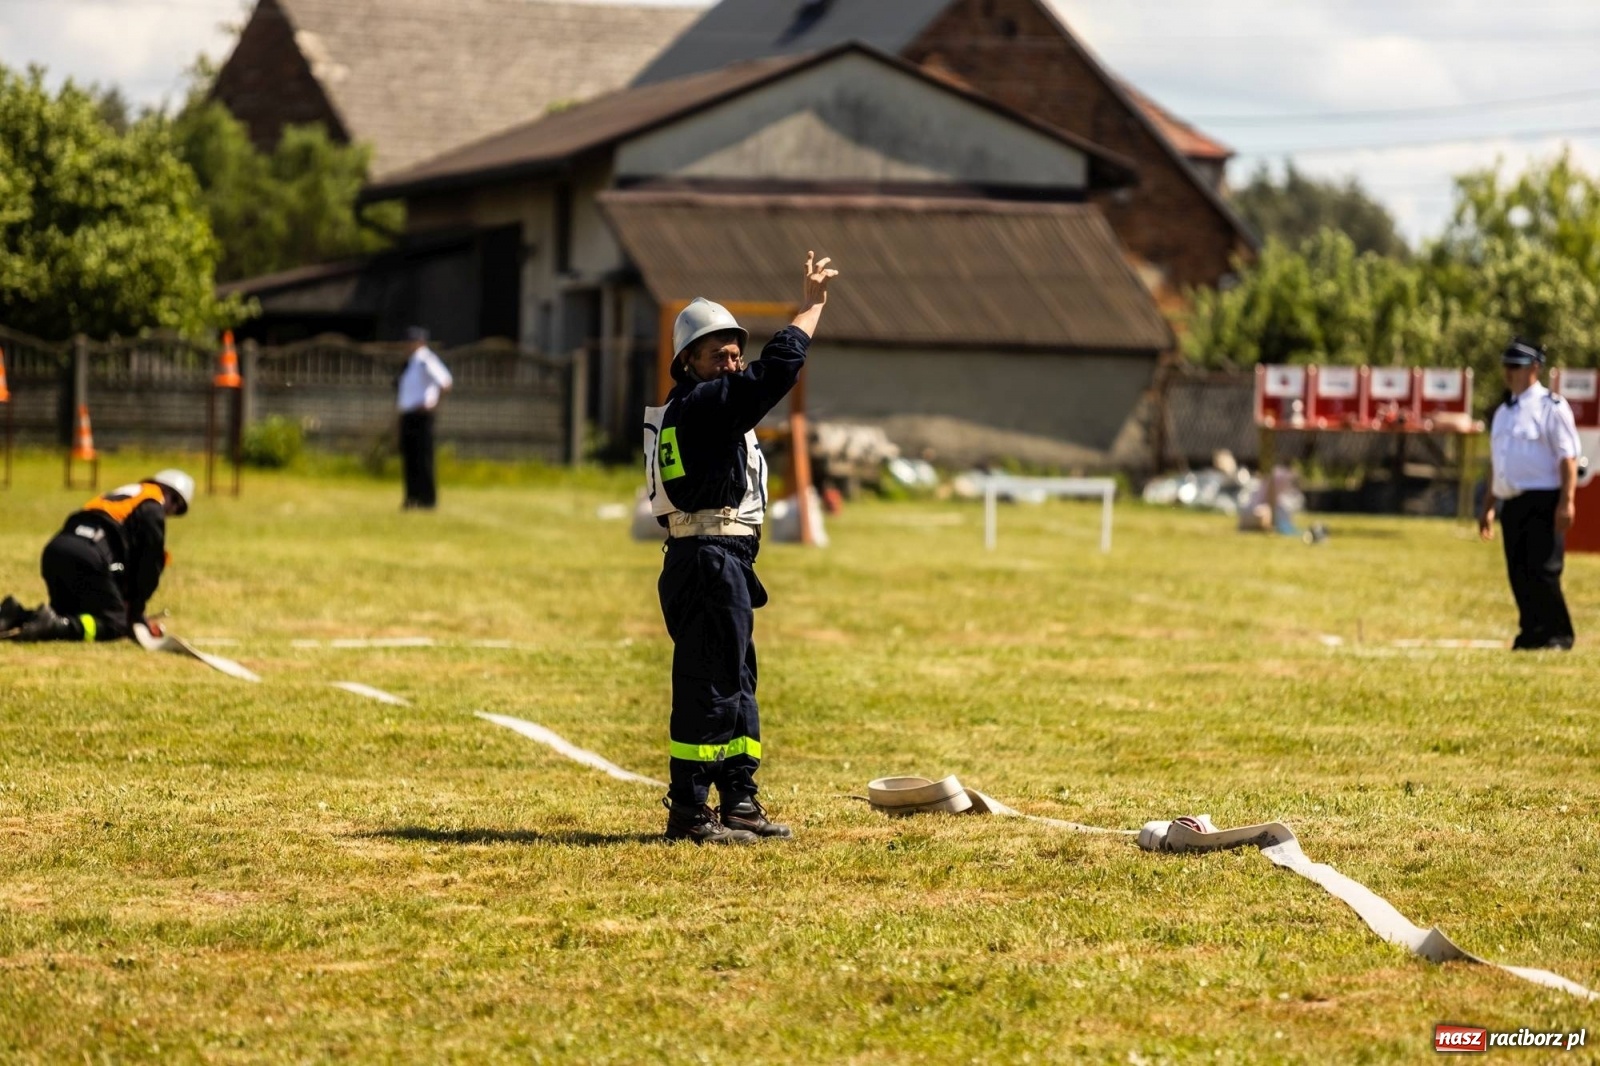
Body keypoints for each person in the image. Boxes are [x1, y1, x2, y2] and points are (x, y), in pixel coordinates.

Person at [643, 251, 839, 845]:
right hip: (707, 560)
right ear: (688, 363)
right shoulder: (704, 406)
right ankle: (690, 811)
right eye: (717, 356)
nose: (731, 364)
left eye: (735, 354)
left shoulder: (698, 408)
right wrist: (809, 309)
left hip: (716, 559)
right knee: (710, 685)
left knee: (735, 682)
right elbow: (774, 372)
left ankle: (739, 800)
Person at [0, 470, 194, 642]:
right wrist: (134, 612)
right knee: (114, 625)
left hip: (57, 549)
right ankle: (53, 626)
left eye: (178, 510)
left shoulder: (126, 496)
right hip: (88, 555)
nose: (172, 510)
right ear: (165, 490)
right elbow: (150, 562)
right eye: (175, 502)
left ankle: (16, 614)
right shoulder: (152, 505)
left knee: (69, 613)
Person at [1478, 338, 1581, 650]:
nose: (1509, 372)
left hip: (1544, 499)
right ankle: (1532, 632)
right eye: (1506, 366)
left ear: (1534, 368)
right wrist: (1488, 505)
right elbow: (1498, 463)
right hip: (1512, 501)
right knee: (1518, 571)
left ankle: (1558, 634)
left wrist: (1567, 501)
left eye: (1516, 366)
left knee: (1544, 570)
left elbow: (1568, 457)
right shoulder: (1503, 412)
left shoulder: (1552, 407)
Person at [397, 326, 452, 510]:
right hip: (408, 414)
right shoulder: (411, 362)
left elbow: (445, 382)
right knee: (410, 458)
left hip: (421, 415)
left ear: (421, 342)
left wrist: (433, 404)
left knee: (423, 458)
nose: (408, 345)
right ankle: (412, 497)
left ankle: (428, 499)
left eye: (412, 341)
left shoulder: (425, 360)